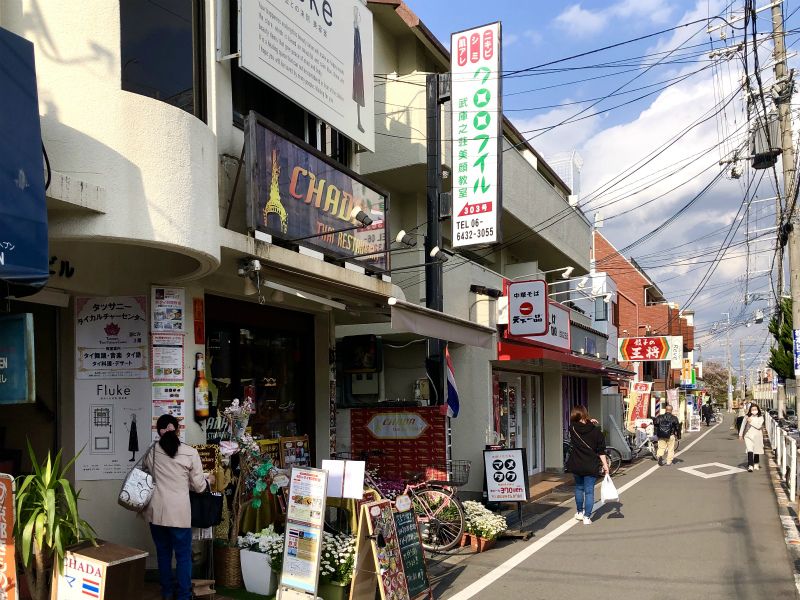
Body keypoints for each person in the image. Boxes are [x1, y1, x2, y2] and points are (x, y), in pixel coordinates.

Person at [144, 414, 212, 600]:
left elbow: (150, 474)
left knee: (163, 554)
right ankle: (183, 595)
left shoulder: (152, 452)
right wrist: (208, 480)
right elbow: (198, 486)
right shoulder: (190, 453)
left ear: (158, 431)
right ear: (178, 430)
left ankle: (166, 592)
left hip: (156, 512)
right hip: (179, 514)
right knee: (183, 557)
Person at [565, 405, 609, 525]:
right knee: (589, 491)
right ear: (585, 414)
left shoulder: (573, 429)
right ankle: (587, 517)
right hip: (591, 465)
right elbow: (601, 451)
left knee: (579, 488)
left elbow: (579, 425)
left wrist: (589, 421)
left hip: (577, 464)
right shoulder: (596, 432)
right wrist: (605, 465)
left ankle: (579, 512)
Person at [739, 403, 765, 472]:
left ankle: (756, 463)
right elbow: (743, 426)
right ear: (750, 410)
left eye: (755, 409)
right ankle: (750, 465)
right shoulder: (747, 417)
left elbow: (759, 426)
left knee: (756, 450)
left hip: (757, 436)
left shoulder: (760, 417)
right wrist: (740, 435)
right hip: (748, 436)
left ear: (758, 410)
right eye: (752, 409)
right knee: (749, 450)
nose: (754, 411)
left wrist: (751, 422)